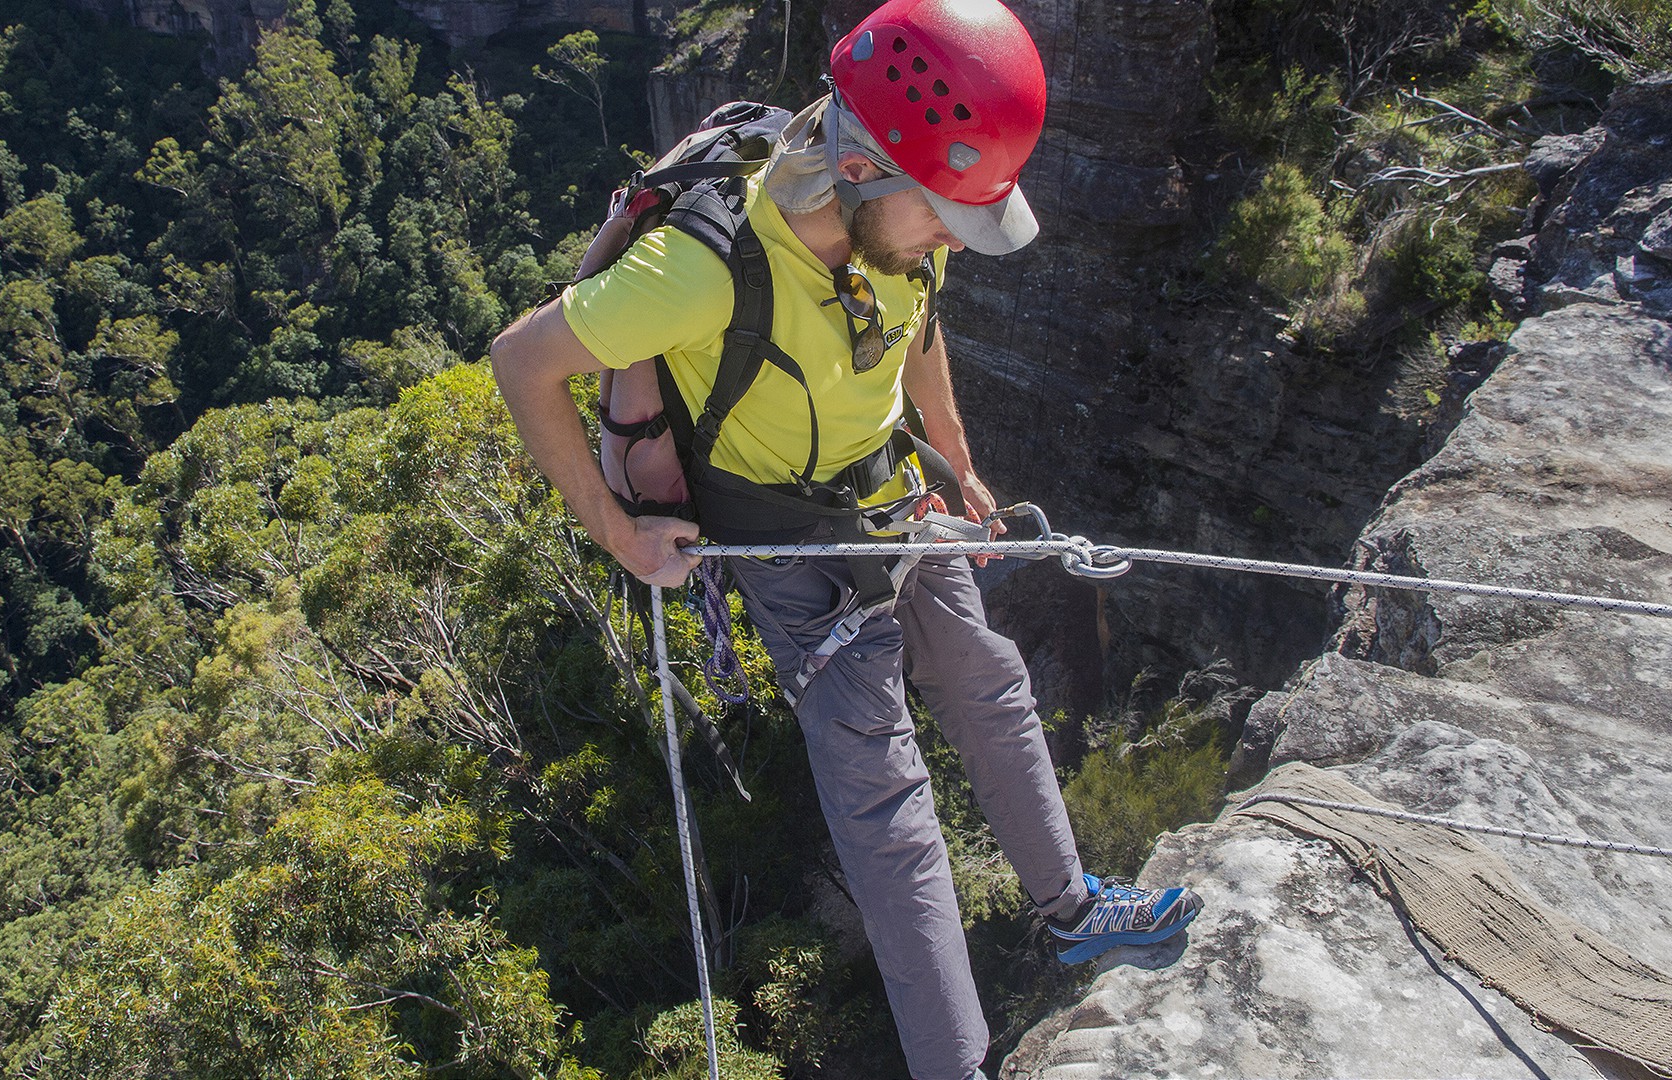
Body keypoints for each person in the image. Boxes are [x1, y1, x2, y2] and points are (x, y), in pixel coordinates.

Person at [490, 1, 1202, 1076]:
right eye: (940, 216)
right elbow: (520, 359)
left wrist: (955, 461)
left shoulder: (898, 225)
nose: (948, 243)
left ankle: (1071, 911)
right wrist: (618, 537)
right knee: (890, 811)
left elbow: (917, 326)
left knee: (988, 681)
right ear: (864, 164)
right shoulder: (697, 269)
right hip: (788, 550)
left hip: (893, 496)